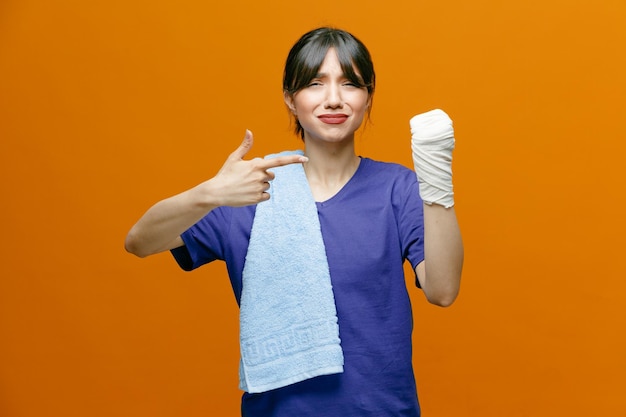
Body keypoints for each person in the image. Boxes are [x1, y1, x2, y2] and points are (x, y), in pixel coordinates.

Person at [125, 27, 463, 417]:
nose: (333, 99)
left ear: (368, 97)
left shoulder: (397, 188)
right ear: (290, 98)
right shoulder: (250, 190)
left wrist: (435, 180)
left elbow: (442, 290)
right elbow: (139, 241)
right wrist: (212, 193)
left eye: (350, 84)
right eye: (315, 84)